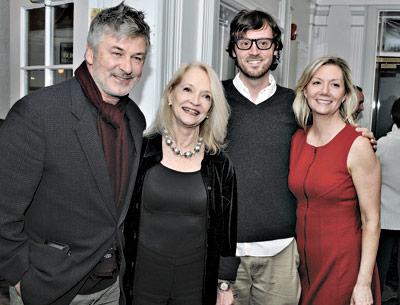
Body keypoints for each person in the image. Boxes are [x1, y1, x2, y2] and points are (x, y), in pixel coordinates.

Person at [0, 3, 150, 305]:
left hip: (111, 287)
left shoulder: (136, 118)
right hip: (49, 288)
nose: (128, 67)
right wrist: (20, 278)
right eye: (117, 53)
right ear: (91, 54)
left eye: (137, 58)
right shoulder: (37, 113)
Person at [123, 62, 239, 305]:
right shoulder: (139, 151)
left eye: (205, 96)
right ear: (170, 95)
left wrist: (225, 284)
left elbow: (228, 230)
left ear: (210, 108)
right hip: (141, 280)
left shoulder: (220, 164)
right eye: (187, 90)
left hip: (195, 286)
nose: (195, 101)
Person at [222, 10, 300, 305]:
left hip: (281, 251)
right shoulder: (212, 98)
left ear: (276, 48)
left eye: (263, 43)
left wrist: (358, 136)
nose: (254, 51)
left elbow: (327, 138)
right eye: (245, 43)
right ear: (233, 49)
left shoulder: (296, 103)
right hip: (225, 251)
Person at [289, 56, 381, 305]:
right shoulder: (297, 139)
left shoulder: (358, 145)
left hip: (343, 265)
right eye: (317, 82)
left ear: (345, 95)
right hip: (303, 266)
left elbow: (371, 220)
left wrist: (363, 283)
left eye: (335, 85)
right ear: (305, 89)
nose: (325, 92)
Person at [376, 98, 400, 301]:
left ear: (393, 116)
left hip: (385, 215)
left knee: (381, 262)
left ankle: (378, 296)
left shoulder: (381, 145)